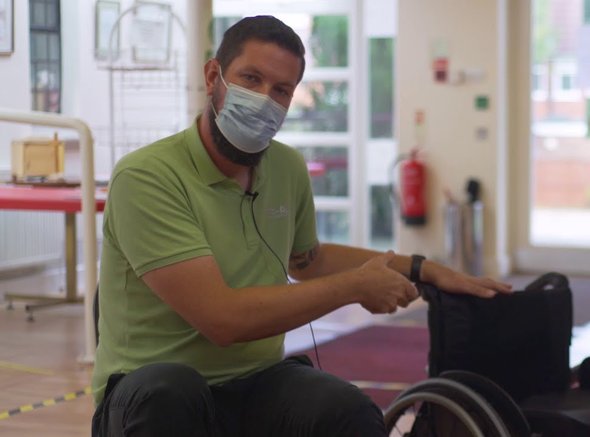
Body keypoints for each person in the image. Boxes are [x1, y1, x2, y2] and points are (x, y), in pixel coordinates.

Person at [91, 15, 512, 437]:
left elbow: (309, 260)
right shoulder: (147, 177)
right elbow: (222, 320)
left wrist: (424, 268)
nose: (263, 99)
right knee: (171, 391)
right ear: (212, 75)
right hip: (150, 395)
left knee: (347, 410)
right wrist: (353, 287)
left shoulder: (287, 167)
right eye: (250, 78)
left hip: (256, 383)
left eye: (281, 90)